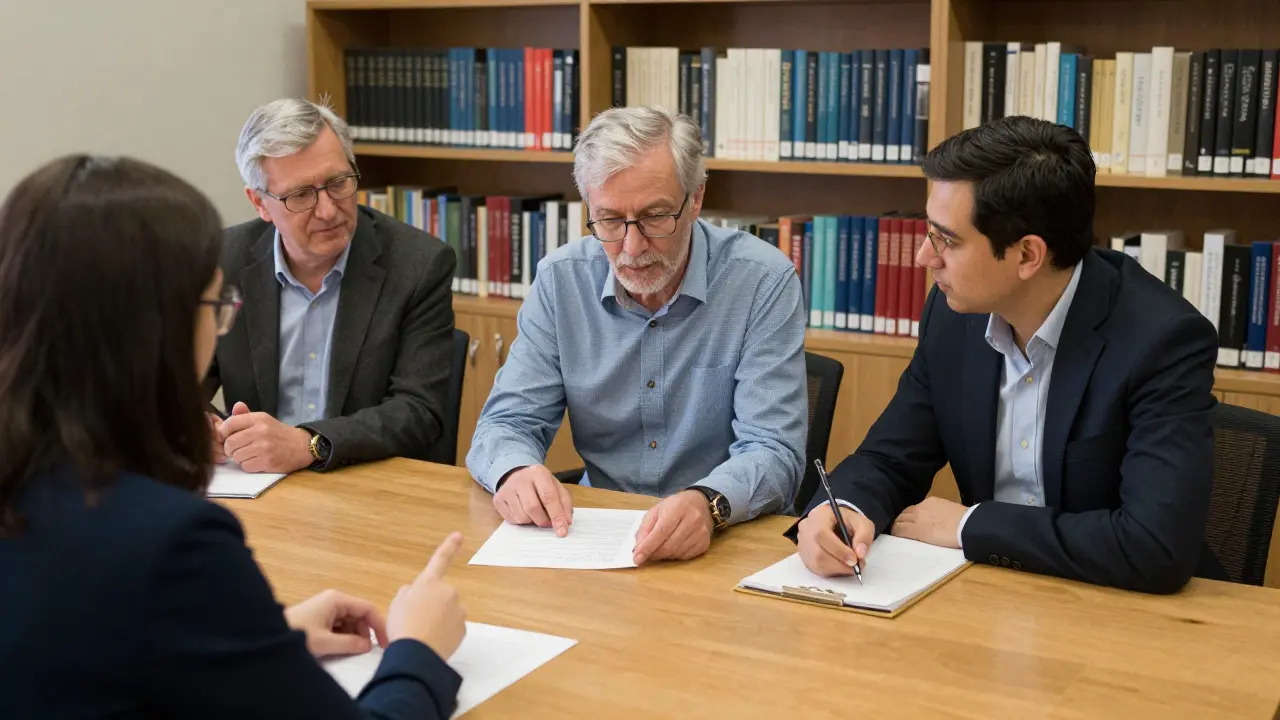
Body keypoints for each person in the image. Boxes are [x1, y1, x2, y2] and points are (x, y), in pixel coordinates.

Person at [0, 154, 467, 718]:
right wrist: (420, 650)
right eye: (215, 304)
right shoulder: (174, 544)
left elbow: (94, 648)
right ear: (159, 327)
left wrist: (259, 638)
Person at [791, 115, 1222, 595]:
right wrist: (843, 509)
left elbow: (1153, 546)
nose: (923, 257)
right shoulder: (954, 315)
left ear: (1027, 256)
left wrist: (969, 527)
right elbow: (892, 457)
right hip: (994, 599)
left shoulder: (1162, 341)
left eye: (946, 240)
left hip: (1124, 612)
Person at [466, 105, 808, 565]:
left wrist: (709, 503)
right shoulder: (560, 281)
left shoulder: (762, 282)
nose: (631, 247)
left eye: (655, 216)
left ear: (696, 197)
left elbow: (774, 450)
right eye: (608, 220)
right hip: (598, 541)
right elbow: (506, 424)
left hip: (726, 542)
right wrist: (514, 471)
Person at [204, 98, 456, 474]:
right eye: (301, 195)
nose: (327, 210)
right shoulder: (222, 261)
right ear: (259, 202)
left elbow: (419, 411)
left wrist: (310, 443)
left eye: (338, 183)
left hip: (365, 482)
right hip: (257, 485)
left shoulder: (419, 264)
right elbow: (177, 381)